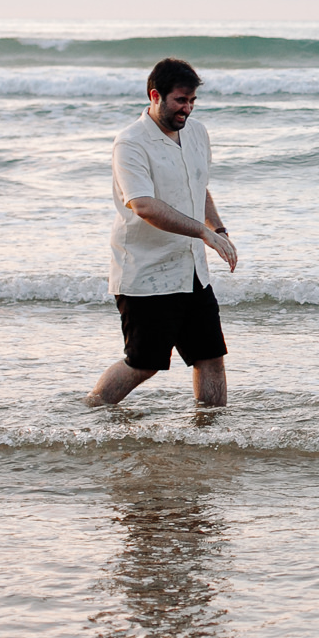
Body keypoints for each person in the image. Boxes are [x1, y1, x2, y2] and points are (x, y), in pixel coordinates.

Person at [87, 58, 240, 408]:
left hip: (192, 272)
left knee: (210, 357)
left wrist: (219, 229)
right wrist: (203, 233)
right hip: (146, 273)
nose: (187, 109)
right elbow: (144, 205)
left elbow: (198, 187)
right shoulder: (131, 143)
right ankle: (89, 412)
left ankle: (210, 433)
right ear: (155, 95)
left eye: (191, 102)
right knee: (144, 364)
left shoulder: (197, 133)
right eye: (180, 101)